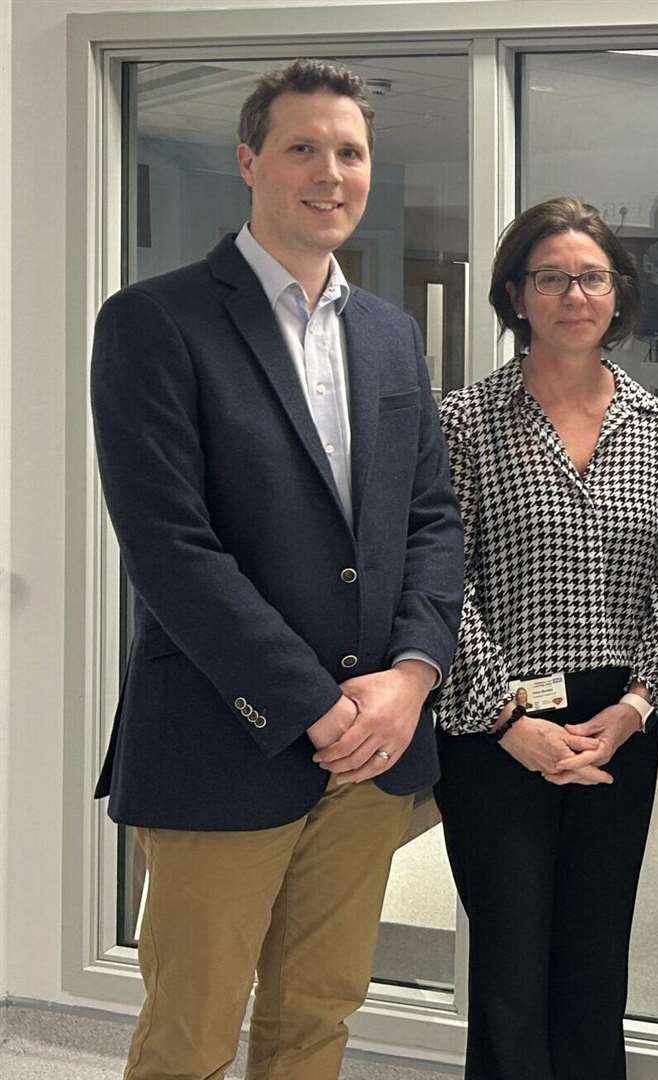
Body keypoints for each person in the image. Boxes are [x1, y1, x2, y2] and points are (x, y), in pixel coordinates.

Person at [89, 59, 464, 1080]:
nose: (329, 172)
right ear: (249, 160)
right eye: (303, 147)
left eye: (349, 152)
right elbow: (170, 546)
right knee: (190, 1037)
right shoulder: (154, 322)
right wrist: (312, 704)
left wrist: (412, 677)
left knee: (316, 1023)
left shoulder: (389, 337)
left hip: (371, 757)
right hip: (226, 740)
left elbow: (431, 520)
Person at [434, 195, 658, 1080]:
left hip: (615, 723)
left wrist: (635, 708)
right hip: (496, 726)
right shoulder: (466, 422)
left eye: (591, 277)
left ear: (618, 294)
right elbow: (443, 586)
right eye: (550, 278)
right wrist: (509, 720)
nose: (573, 295)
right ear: (516, 296)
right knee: (511, 967)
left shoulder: (656, 426)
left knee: (595, 961)